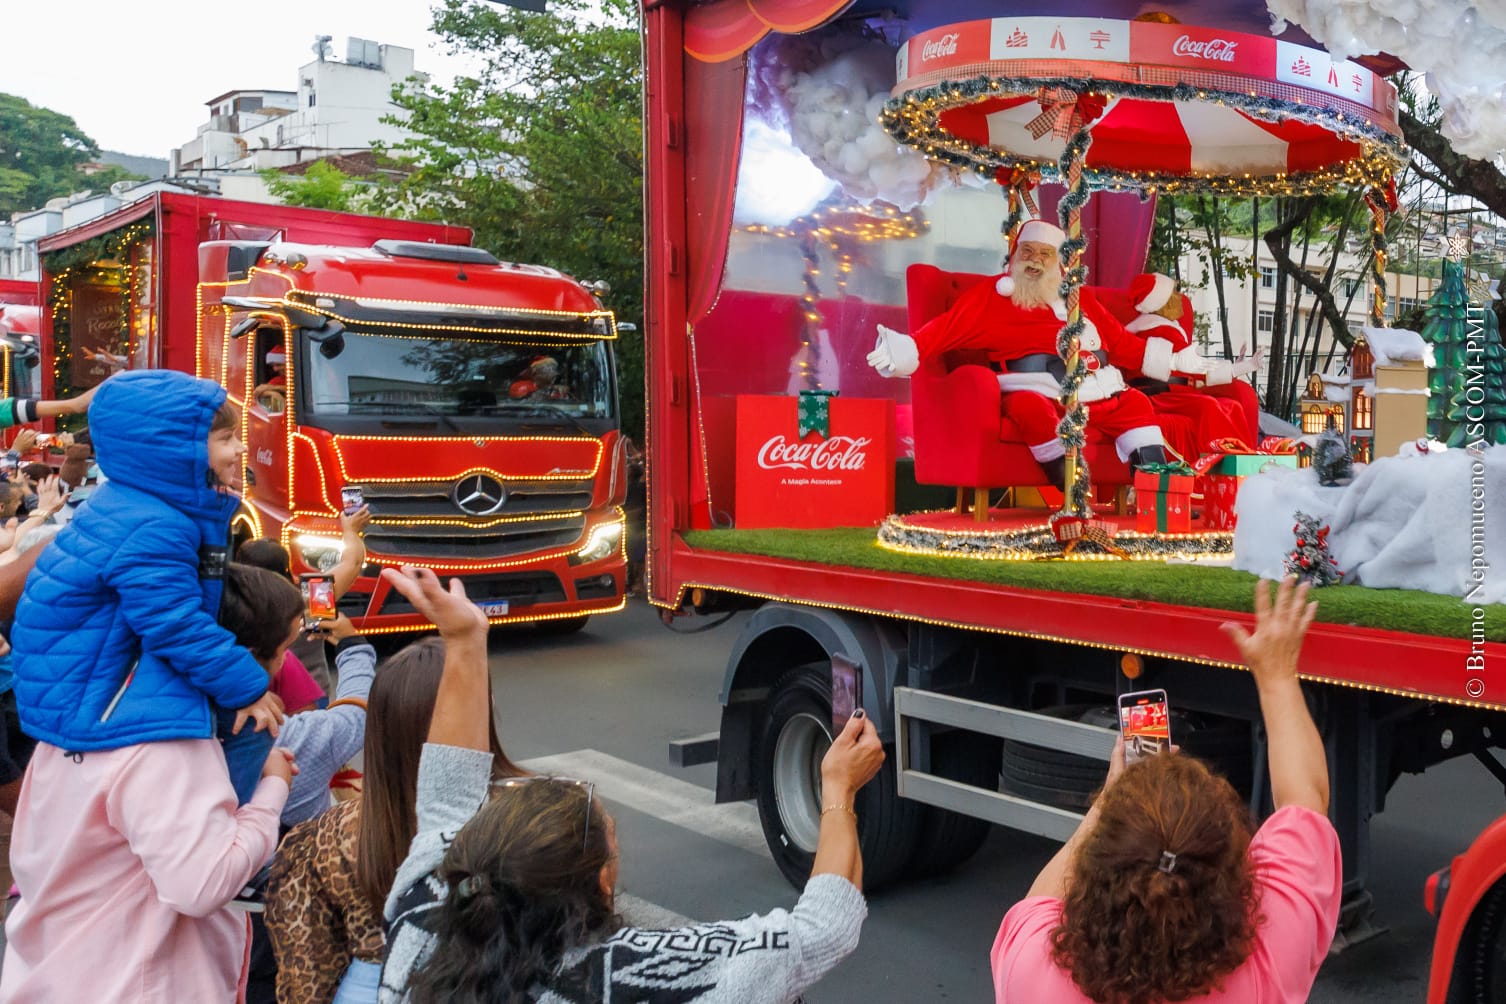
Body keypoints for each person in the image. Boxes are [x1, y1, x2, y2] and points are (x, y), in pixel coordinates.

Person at [377, 565, 883, 1004]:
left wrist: (465, 642)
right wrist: (838, 791)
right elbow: (821, 931)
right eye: (611, 842)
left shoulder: (423, 911)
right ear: (598, 885)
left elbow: (447, 796)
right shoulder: (628, 975)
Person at [991, 577, 1340, 1004]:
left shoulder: (1033, 976)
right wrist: (1278, 678)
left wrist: (1109, 801)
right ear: (1233, 872)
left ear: (1096, 871)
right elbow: (1305, 798)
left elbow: (1037, 904)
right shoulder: (1273, 957)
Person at [8, 370, 284, 798]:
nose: (241, 447)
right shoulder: (155, 526)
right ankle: (223, 836)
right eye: (227, 438)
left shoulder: (135, 503)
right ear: (174, 451)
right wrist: (247, 687)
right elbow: (174, 622)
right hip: (94, 698)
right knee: (250, 729)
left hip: (81, 678)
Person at [267, 629, 524, 1004]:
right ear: (484, 709)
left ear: (381, 725)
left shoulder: (319, 842)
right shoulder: (535, 818)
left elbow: (307, 977)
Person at [868, 219, 1171, 484]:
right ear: (1015, 255)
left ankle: (1158, 496)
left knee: (1136, 405)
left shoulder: (1079, 299)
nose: (1035, 261)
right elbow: (946, 329)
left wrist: (1174, 362)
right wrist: (905, 348)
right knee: (1030, 410)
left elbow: (1120, 343)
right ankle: (1073, 494)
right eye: (1027, 251)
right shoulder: (996, 296)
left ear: (1058, 262)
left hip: (1096, 387)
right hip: (1034, 388)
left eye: (1044, 254)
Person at [1121, 273, 1262, 449]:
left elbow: (1193, 370)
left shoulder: (1167, 330)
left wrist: (1238, 368)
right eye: (1174, 293)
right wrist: (1240, 367)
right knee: (1210, 406)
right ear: (1161, 302)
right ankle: (1216, 465)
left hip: (1177, 392)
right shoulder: (1154, 331)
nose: (1180, 298)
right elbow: (1192, 368)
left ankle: (1239, 461)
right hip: (1160, 396)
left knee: (1231, 406)